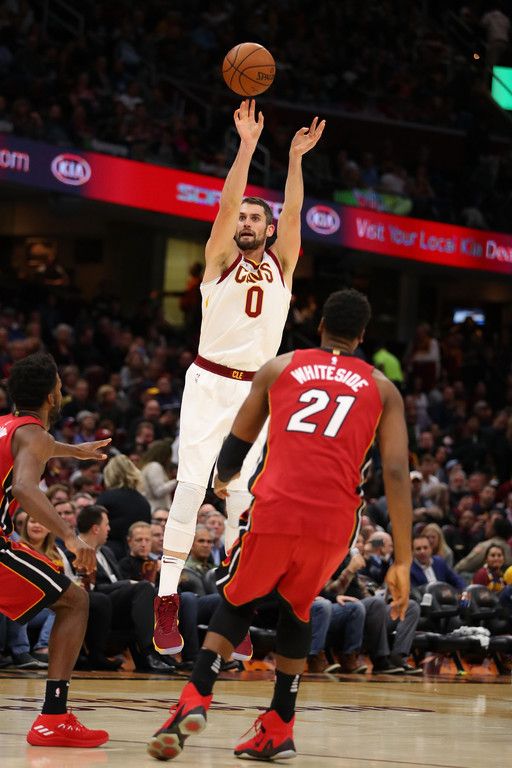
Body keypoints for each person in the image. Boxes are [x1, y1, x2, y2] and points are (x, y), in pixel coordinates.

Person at [147, 288, 413, 761]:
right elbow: (395, 471)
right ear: (362, 336)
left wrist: (223, 480)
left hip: (278, 506)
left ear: (320, 326)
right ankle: (279, 724)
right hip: (335, 522)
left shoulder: (280, 367)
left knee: (238, 599)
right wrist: (404, 561)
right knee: (298, 608)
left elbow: (236, 444)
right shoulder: (383, 388)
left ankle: (196, 696)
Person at [153, 99, 326, 658]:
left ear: (269, 230)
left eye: (256, 219)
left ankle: (235, 607)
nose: (246, 222)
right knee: (189, 489)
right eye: (243, 219)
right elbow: (228, 203)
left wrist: (295, 160)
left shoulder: (283, 263)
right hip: (209, 383)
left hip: (256, 392)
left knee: (242, 500)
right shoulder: (218, 258)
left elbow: (294, 214)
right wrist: (248, 146)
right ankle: (166, 599)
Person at [0, 351, 110, 747]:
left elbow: (33, 448)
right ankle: (53, 716)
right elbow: (24, 487)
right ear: (51, 396)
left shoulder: (6, 426)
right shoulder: (33, 435)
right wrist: (70, 536)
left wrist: (74, 451)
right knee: (75, 601)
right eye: (60, 386)